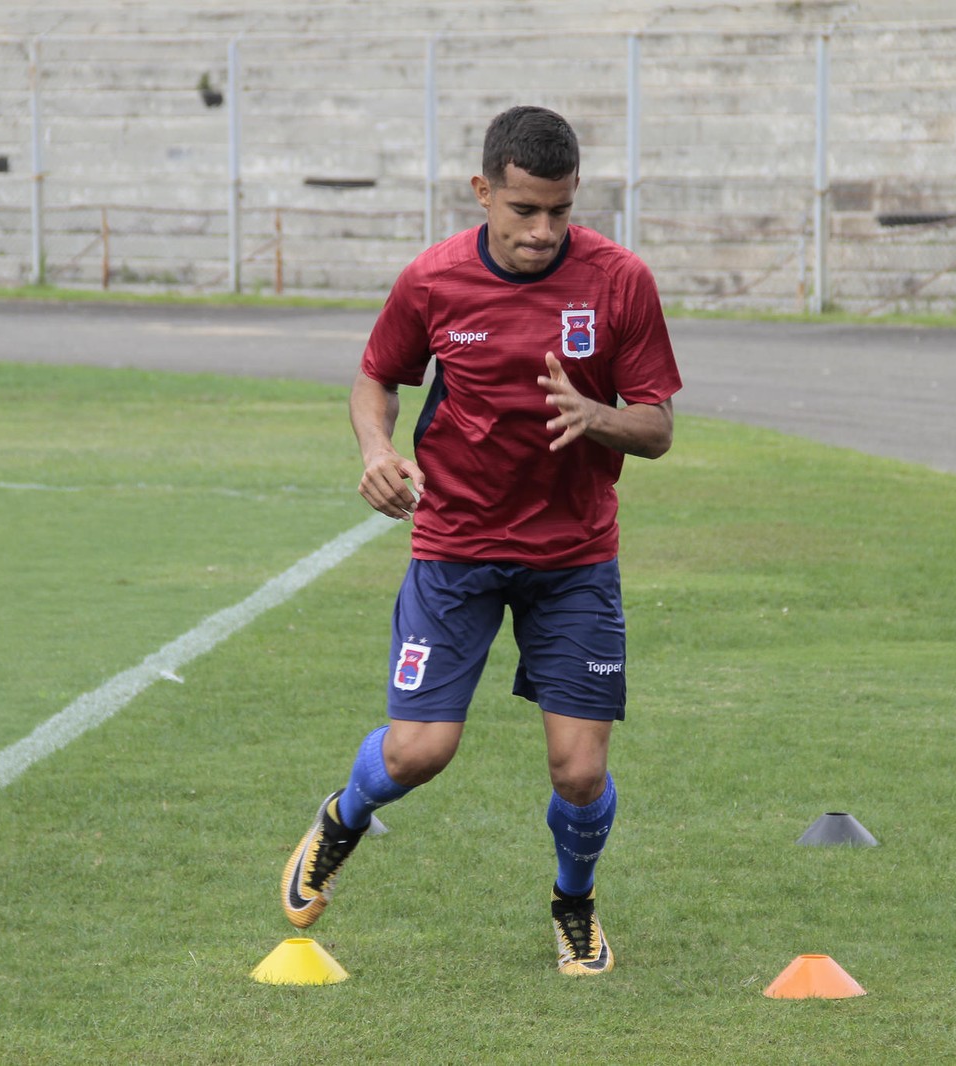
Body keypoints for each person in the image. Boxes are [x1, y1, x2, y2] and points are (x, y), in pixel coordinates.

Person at [280, 105, 681, 976]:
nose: (543, 233)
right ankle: (343, 818)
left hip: (574, 557)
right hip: (457, 545)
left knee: (579, 773)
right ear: (483, 191)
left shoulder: (620, 282)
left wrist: (596, 416)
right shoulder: (433, 281)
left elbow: (656, 429)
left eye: (561, 212)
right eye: (524, 210)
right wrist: (378, 449)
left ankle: (574, 904)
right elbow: (377, 377)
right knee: (420, 751)